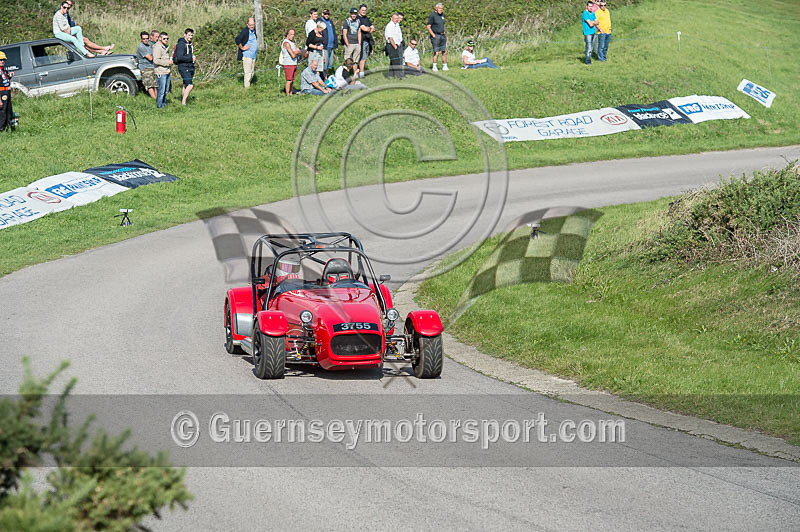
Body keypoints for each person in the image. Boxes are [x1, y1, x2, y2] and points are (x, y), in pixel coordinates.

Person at [173, 28, 196, 105]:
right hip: (183, 67)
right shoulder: (181, 44)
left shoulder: (190, 44)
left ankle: (184, 101)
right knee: (190, 85)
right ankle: (184, 101)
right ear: (185, 35)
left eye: (191, 35)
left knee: (185, 84)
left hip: (190, 66)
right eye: (189, 35)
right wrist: (190, 58)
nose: (190, 37)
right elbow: (180, 57)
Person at [236, 17, 258, 88]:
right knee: (248, 73)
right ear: (247, 25)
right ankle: (247, 89)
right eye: (250, 24)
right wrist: (242, 47)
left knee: (252, 73)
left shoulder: (254, 31)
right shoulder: (245, 31)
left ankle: (248, 86)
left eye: (253, 24)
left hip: (253, 55)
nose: (252, 26)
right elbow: (237, 39)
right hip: (247, 55)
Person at [153, 32, 172, 108]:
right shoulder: (157, 47)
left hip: (166, 71)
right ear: (160, 38)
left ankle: (164, 104)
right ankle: (159, 105)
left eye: (167, 38)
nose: (166, 40)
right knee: (161, 90)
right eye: (164, 38)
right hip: (161, 72)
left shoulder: (165, 46)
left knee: (166, 90)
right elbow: (156, 61)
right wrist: (168, 63)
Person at [136, 31, 157, 99]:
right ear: (141, 39)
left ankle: (157, 99)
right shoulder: (141, 47)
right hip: (145, 68)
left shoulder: (149, 46)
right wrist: (156, 55)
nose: (146, 40)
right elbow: (150, 58)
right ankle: (154, 99)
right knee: (150, 85)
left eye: (147, 38)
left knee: (155, 85)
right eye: (144, 38)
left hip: (152, 67)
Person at [427, 3, 448, 71]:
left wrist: (444, 31)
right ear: (436, 8)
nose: (441, 10)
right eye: (439, 8)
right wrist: (433, 35)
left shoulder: (442, 15)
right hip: (436, 35)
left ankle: (444, 66)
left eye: (442, 8)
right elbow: (428, 26)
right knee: (436, 52)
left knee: (444, 51)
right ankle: (434, 66)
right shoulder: (432, 15)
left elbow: (443, 24)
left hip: (442, 35)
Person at [342, 8, 361, 78]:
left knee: (355, 61)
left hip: (357, 43)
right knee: (347, 60)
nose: (354, 15)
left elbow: (359, 32)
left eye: (355, 14)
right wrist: (347, 44)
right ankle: (346, 76)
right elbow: (344, 34)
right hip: (349, 43)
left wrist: (359, 43)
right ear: (350, 14)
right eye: (353, 14)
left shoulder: (358, 21)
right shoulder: (346, 22)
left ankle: (355, 75)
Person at [357, 4, 375, 78]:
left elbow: (373, 28)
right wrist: (369, 29)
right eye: (362, 10)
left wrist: (368, 28)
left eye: (365, 10)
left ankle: (361, 71)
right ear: (359, 10)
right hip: (361, 40)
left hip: (367, 40)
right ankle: (361, 73)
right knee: (362, 57)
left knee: (365, 56)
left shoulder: (366, 18)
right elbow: (364, 28)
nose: (364, 12)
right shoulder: (358, 18)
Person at [281, 28, 300, 96]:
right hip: (288, 64)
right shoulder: (286, 43)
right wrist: (296, 52)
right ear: (287, 34)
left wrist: (296, 52)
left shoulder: (292, 43)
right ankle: (287, 94)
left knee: (293, 80)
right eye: (291, 34)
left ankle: (291, 93)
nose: (292, 36)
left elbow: (298, 52)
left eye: (293, 34)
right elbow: (293, 55)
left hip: (294, 63)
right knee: (289, 80)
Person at [384, 13, 403, 78]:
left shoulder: (396, 25)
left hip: (397, 44)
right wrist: (395, 46)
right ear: (391, 18)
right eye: (395, 18)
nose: (396, 20)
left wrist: (400, 42)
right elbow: (390, 38)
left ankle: (390, 75)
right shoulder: (389, 26)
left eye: (397, 18)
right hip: (392, 45)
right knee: (396, 61)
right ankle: (399, 76)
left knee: (393, 60)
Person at [321, 9, 337, 79]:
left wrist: (335, 43)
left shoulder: (330, 21)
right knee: (325, 63)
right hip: (325, 46)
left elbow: (333, 32)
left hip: (331, 45)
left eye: (328, 14)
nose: (326, 15)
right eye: (325, 13)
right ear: (322, 14)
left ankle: (325, 77)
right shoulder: (320, 21)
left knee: (329, 64)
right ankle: (323, 78)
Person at [0, 52, 14, 132]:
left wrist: (9, 76)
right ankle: (1, 129)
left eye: (3, 59)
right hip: (1, 94)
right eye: (0, 59)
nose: (2, 61)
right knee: (2, 112)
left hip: (7, 93)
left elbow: (4, 80)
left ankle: (9, 128)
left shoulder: (3, 70)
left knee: (9, 111)